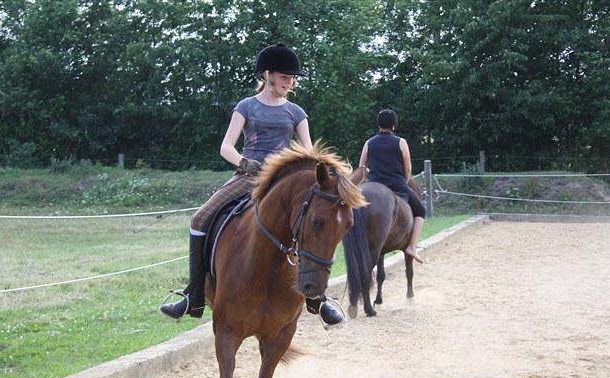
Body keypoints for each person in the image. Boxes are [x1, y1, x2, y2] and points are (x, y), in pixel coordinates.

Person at [160, 43, 346, 326]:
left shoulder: (296, 112)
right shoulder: (246, 106)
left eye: (292, 78)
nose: (290, 82)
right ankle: (193, 294)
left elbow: (310, 154)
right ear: (268, 75)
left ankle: (318, 300)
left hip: (284, 183)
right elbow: (226, 147)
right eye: (285, 77)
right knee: (200, 219)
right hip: (248, 177)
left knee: (312, 223)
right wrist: (246, 164)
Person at [358, 108, 426, 263]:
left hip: (374, 184)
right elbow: (408, 168)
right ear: (394, 126)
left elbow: (362, 167)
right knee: (421, 211)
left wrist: (371, 178)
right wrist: (405, 181)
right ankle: (412, 247)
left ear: (378, 125)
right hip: (396, 186)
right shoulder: (401, 142)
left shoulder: (369, 143)